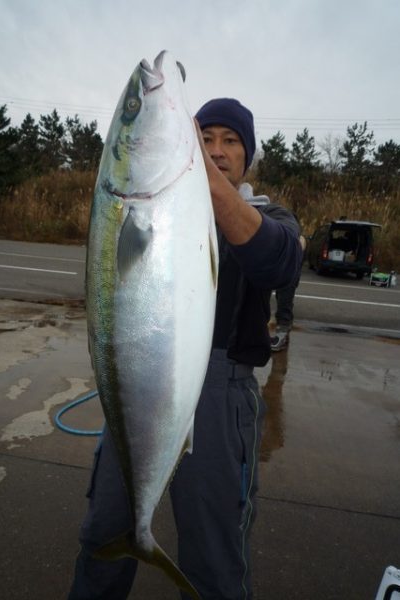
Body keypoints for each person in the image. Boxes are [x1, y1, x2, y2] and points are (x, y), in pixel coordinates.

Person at [68, 98, 303, 599]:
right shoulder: (164, 207)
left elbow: (281, 264)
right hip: (137, 391)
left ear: (249, 155)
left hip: (222, 399)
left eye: (229, 141)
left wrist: (201, 177)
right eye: (206, 138)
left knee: (214, 562)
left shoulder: (271, 218)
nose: (215, 150)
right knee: (101, 535)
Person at [270, 232, 306, 352]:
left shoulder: (295, 238)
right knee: (283, 299)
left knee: (284, 301)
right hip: (286, 267)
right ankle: (282, 332)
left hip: (289, 269)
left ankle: (282, 334)